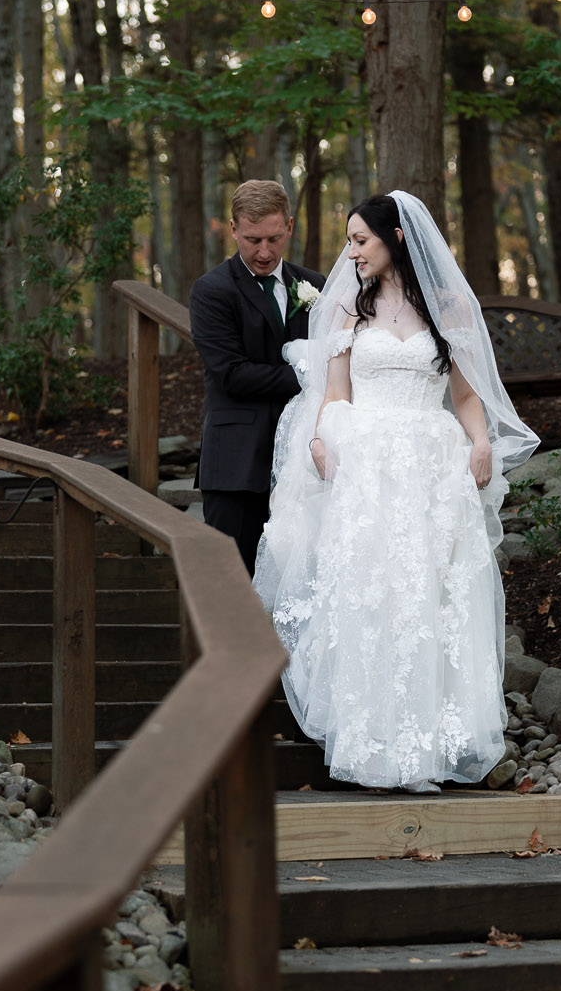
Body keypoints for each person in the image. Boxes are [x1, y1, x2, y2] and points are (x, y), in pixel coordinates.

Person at [254, 190, 538, 792]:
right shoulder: (346, 312)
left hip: (433, 466)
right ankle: (374, 745)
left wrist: (480, 442)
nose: (351, 252)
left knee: (434, 595)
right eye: (351, 241)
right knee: (374, 594)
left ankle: (437, 743)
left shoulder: (451, 307)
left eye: (361, 240)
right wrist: (323, 442)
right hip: (368, 467)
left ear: (398, 238)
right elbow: (334, 397)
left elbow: (464, 395)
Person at [189, 180, 328, 576]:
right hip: (237, 462)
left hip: (305, 462)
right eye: (252, 240)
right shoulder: (212, 291)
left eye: (273, 238)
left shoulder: (315, 285)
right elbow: (232, 374)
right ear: (233, 230)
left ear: (289, 226)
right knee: (230, 581)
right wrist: (312, 375)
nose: (264, 252)